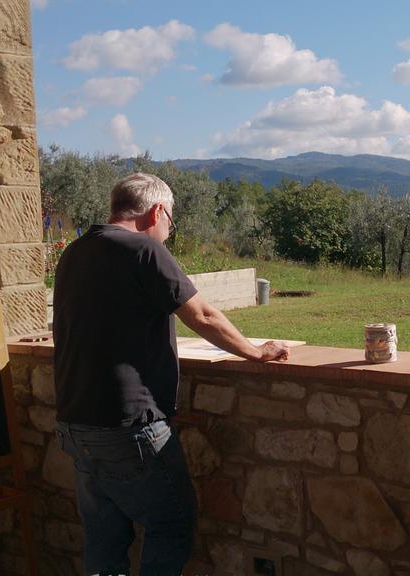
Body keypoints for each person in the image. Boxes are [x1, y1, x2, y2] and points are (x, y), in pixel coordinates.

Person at [53, 172, 289, 576]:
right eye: (170, 222)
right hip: (129, 425)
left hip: (76, 422)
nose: (168, 233)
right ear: (156, 211)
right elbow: (202, 314)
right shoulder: (143, 249)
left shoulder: (76, 251)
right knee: (171, 524)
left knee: (105, 539)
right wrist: (255, 351)